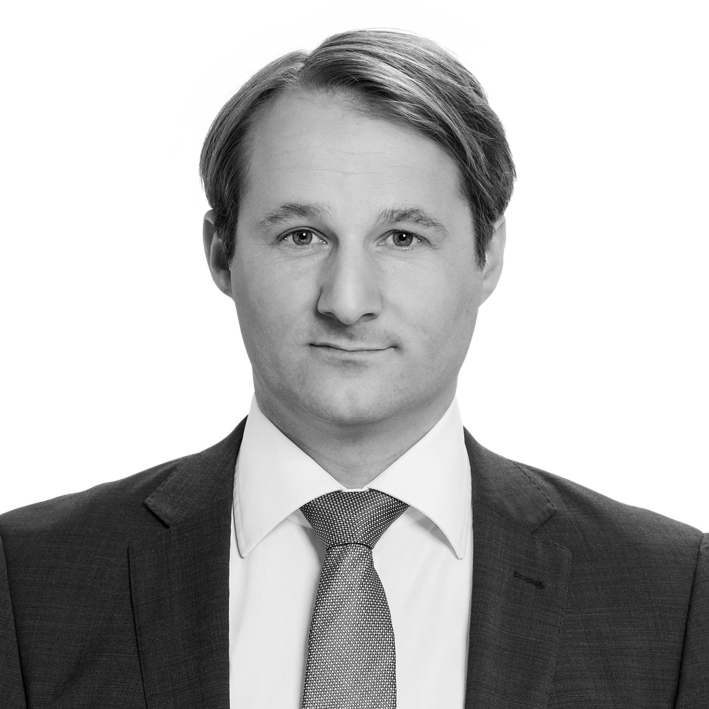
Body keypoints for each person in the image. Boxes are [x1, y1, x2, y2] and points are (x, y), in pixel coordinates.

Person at [0, 28, 706, 709]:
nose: (346, 301)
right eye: (301, 235)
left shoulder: (673, 597)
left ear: (487, 254)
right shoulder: (26, 583)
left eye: (402, 237)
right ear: (220, 253)